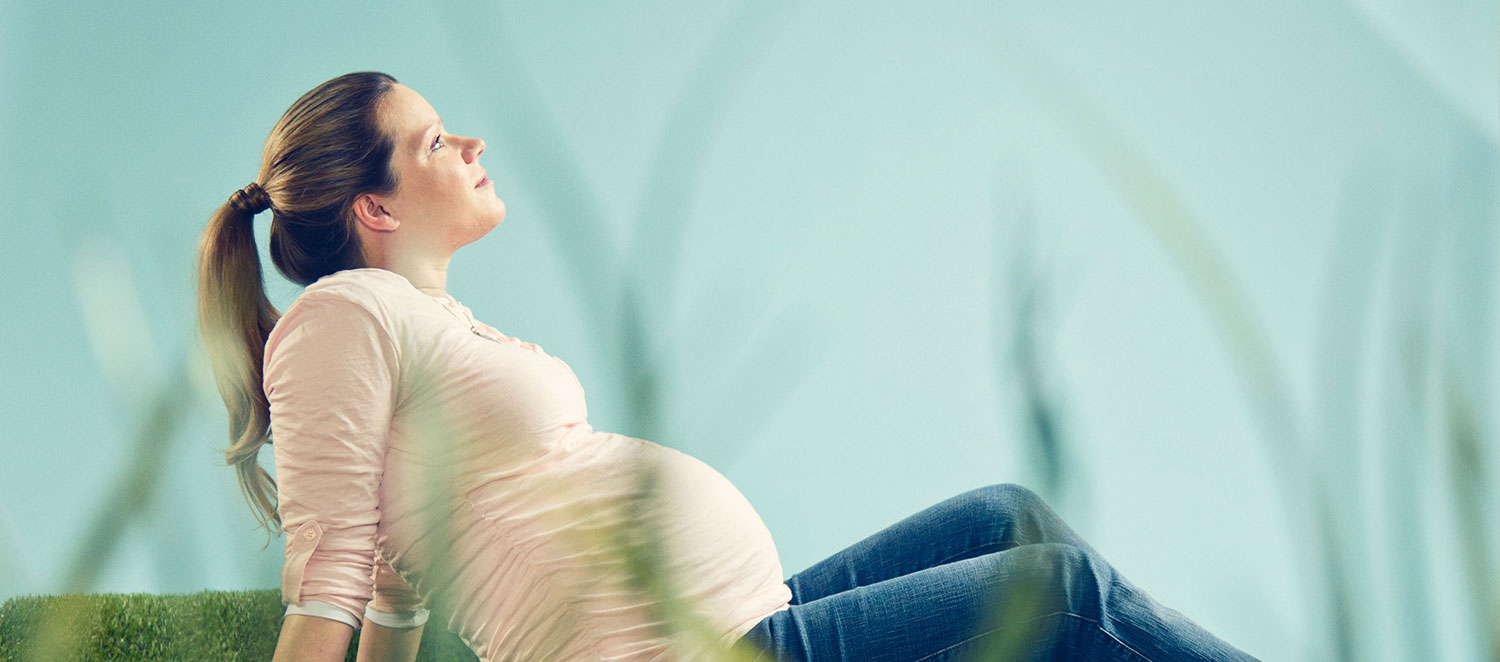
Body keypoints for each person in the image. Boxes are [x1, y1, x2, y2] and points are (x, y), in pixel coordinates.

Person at [196, 71, 1259, 662]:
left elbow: (391, 596)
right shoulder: (341, 316)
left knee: (1008, 517)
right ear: (373, 207)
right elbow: (331, 578)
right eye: (431, 140)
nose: (469, 143)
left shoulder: (425, 327)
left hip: (748, 614)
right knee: (1060, 591)